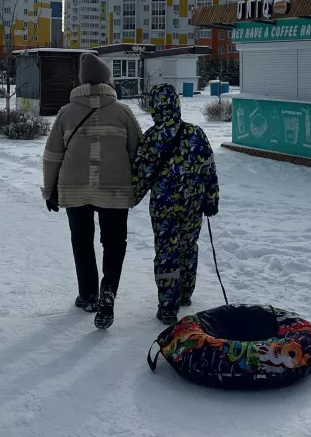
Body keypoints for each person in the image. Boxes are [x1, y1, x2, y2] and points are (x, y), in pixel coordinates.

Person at [42, 53, 142, 330]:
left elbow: (52, 156)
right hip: (114, 190)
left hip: (74, 190)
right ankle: (108, 292)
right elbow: (137, 152)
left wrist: (49, 190)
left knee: (82, 242)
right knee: (114, 243)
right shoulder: (123, 111)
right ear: (108, 80)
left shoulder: (66, 112)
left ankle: (88, 295)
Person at [132, 83, 221, 326]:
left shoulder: (151, 138)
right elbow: (208, 169)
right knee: (188, 247)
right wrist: (211, 200)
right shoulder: (195, 133)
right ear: (176, 104)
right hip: (193, 205)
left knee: (166, 253)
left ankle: (167, 306)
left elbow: (141, 174)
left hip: (163, 208)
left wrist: (131, 197)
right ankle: (185, 294)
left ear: (154, 107)